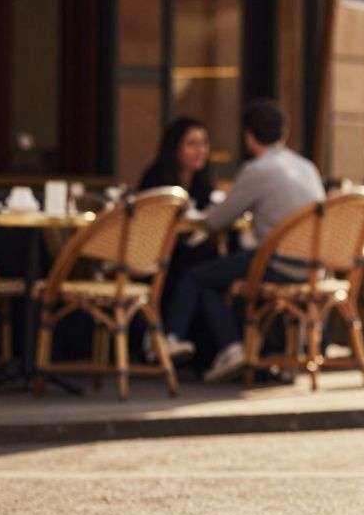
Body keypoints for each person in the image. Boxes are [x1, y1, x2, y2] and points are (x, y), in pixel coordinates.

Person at [162, 99, 325, 382]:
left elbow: (216, 220)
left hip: (279, 263)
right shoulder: (307, 166)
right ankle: (232, 347)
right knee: (215, 275)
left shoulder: (257, 170)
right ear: (284, 134)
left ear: (248, 136)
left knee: (198, 276)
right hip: (316, 267)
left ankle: (172, 339)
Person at [136, 117, 217, 362]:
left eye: (204, 143)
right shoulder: (156, 180)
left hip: (184, 254)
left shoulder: (203, 183)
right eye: (192, 144)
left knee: (207, 264)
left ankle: (177, 340)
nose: (200, 150)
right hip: (152, 255)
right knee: (199, 267)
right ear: (175, 149)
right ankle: (164, 337)